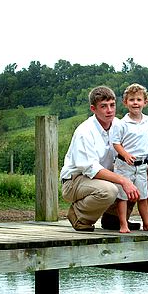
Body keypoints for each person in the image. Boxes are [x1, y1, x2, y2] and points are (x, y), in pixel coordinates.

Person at [60, 86, 140, 231]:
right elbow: (91, 169)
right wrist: (123, 180)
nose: (109, 110)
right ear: (93, 109)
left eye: (112, 105)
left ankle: (113, 220)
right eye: (103, 106)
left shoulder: (119, 125)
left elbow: (136, 141)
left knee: (136, 176)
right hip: (75, 181)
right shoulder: (85, 132)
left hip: (103, 178)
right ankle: (79, 216)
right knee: (110, 190)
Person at [111, 84, 148, 233]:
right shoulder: (121, 124)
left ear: (145, 102)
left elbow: (147, 136)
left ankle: (147, 223)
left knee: (142, 196)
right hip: (124, 164)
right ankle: (123, 224)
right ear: (125, 103)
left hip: (141, 165)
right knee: (123, 196)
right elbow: (116, 143)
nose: (135, 103)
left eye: (139, 99)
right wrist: (125, 154)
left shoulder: (147, 120)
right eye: (131, 99)